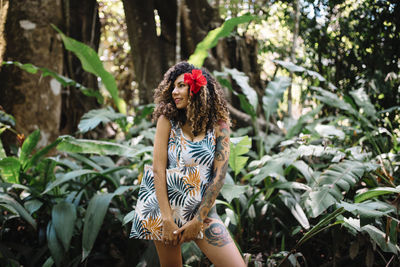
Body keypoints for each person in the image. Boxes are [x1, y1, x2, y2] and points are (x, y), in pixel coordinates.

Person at [149, 61, 246, 267]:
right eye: (173, 87)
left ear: (197, 89)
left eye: (181, 86)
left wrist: (199, 220)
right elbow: (158, 169)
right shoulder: (167, 120)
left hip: (203, 214)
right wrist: (166, 220)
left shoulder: (220, 125)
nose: (175, 92)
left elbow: (219, 175)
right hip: (167, 213)